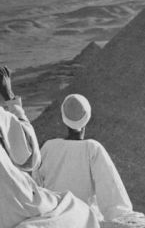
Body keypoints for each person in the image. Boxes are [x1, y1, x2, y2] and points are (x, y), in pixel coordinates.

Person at [0, 65, 99, 228]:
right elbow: (29, 159)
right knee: (80, 211)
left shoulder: (51, 146)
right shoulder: (93, 148)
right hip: (16, 206)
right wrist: (9, 97)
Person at [33, 93, 138, 223]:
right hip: (83, 221)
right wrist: (126, 219)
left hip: (53, 221)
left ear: (63, 118)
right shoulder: (92, 149)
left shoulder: (48, 147)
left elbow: (35, 186)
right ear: (87, 117)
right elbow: (113, 197)